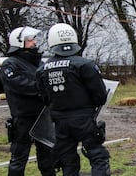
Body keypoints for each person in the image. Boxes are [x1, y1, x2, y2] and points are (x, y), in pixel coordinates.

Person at [36, 23, 111, 176]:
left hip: (60, 122)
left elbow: (44, 98)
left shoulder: (42, 69)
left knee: (67, 162)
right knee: (98, 157)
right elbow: (100, 95)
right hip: (84, 119)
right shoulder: (84, 64)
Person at [0, 26, 55, 176]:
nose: (34, 43)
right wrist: (42, 88)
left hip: (42, 116)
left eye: (33, 40)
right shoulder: (10, 64)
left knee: (47, 156)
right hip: (23, 118)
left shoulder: (39, 63)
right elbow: (21, 85)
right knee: (19, 157)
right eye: (30, 40)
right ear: (20, 42)